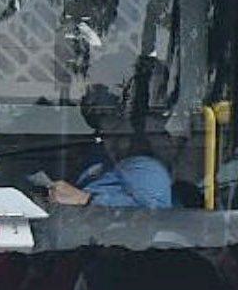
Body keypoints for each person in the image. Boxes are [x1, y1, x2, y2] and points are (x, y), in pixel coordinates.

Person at [44, 83, 175, 210]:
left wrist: (85, 199)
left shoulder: (145, 167)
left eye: (116, 135)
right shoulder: (103, 162)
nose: (109, 143)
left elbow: (155, 214)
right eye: (105, 136)